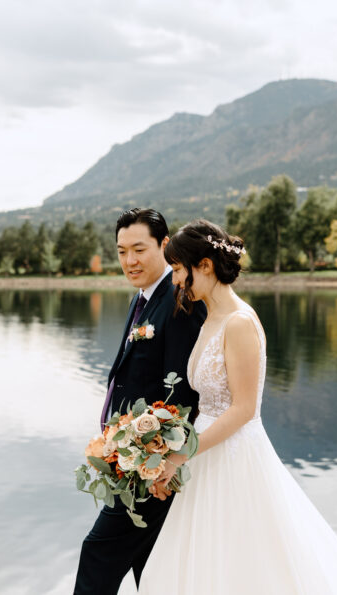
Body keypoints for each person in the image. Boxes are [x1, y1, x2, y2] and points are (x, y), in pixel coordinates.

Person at [137, 219, 337, 594]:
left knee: (243, 564)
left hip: (234, 457)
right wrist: (170, 454)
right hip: (205, 455)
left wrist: (180, 456)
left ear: (204, 266)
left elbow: (244, 408)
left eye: (177, 269)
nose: (173, 280)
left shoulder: (239, 323)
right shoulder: (209, 319)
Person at [74, 208, 205, 595]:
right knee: (150, 566)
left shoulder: (180, 300)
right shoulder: (142, 299)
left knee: (98, 552)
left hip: (150, 468)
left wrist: (159, 463)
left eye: (139, 249)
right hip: (131, 460)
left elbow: (182, 393)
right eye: (121, 251)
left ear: (165, 246)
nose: (129, 261)